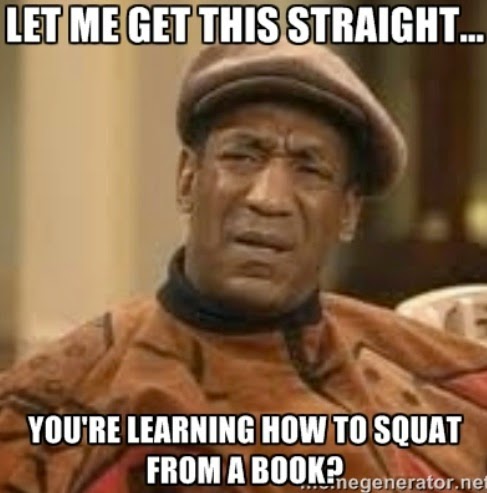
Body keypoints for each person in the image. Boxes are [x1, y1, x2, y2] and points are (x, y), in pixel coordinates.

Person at [1, 41, 487, 493]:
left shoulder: (447, 385)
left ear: (348, 212)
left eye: (310, 168)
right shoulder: (47, 411)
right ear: (187, 179)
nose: (268, 199)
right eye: (241, 157)